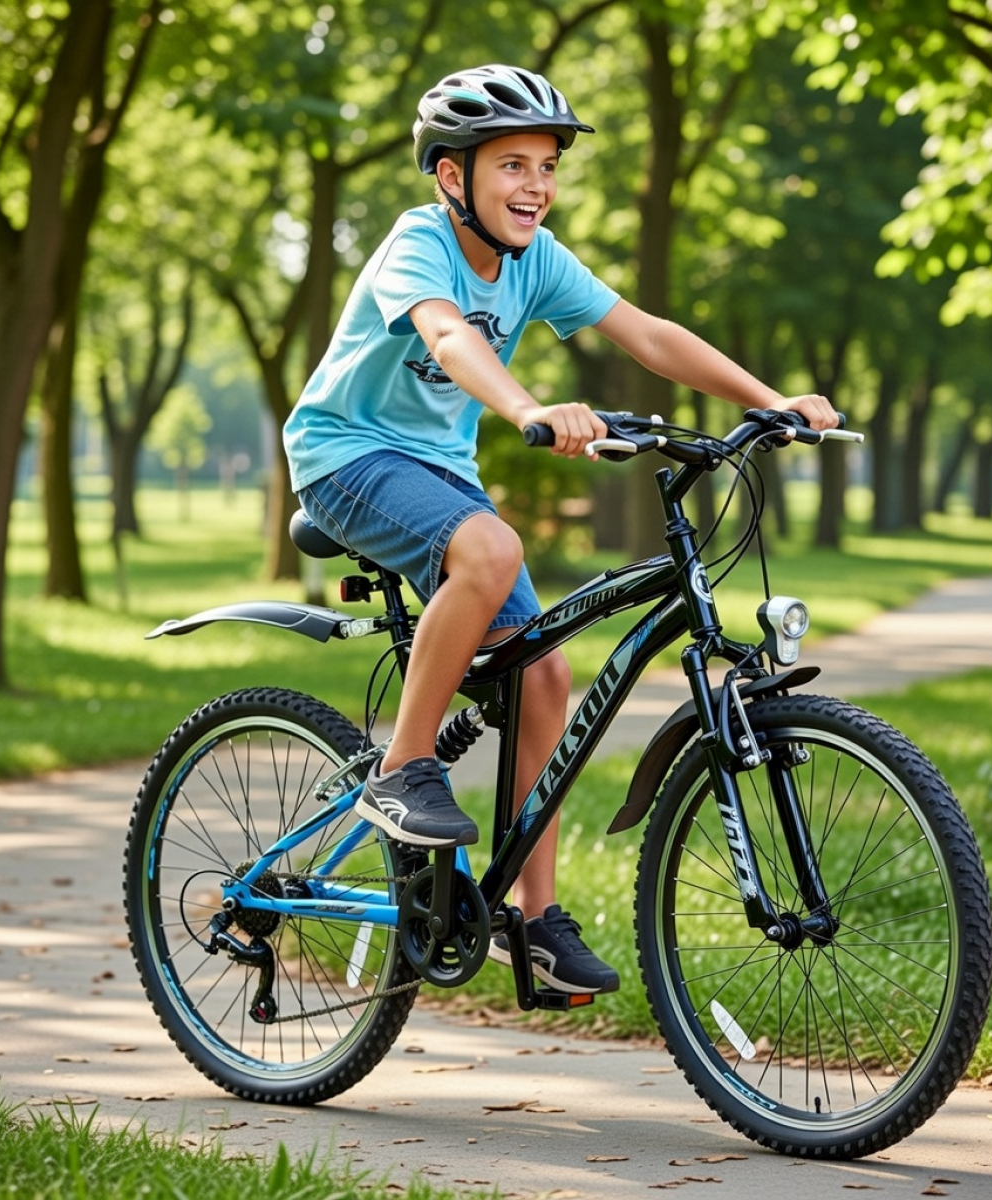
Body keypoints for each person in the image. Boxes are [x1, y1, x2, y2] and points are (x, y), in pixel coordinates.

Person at [284, 64, 837, 995]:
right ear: (452, 176)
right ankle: (403, 768)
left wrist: (769, 400)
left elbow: (647, 333)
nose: (535, 185)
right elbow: (450, 337)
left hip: (439, 476)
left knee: (545, 671)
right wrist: (528, 407)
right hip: (346, 457)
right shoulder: (418, 243)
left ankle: (530, 918)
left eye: (545, 165)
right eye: (511, 165)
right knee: (494, 548)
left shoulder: (537, 259)